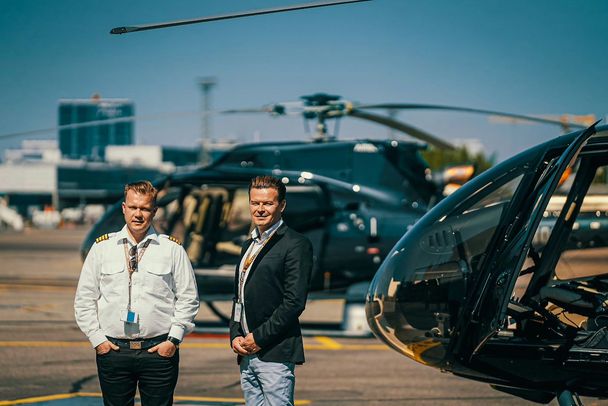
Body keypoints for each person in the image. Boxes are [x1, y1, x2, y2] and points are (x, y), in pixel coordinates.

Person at [74, 180, 199, 406]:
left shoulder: (172, 249)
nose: (138, 214)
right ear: (124, 208)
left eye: (144, 208)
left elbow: (188, 298)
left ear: (154, 211)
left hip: (159, 351)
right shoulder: (102, 248)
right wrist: (97, 340)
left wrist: (173, 339)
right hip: (113, 351)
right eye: (133, 207)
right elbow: (84, 299)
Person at [230, 175, 313, 406]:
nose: (260, 209)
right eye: (255, 203)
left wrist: (259, 338)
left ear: (282, 205)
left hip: (274, 353)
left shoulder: (295, 244)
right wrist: (235, 334)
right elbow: (239, 296)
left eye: (268, 203)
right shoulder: (249, 245)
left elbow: (294, 302)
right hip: (247, 352)